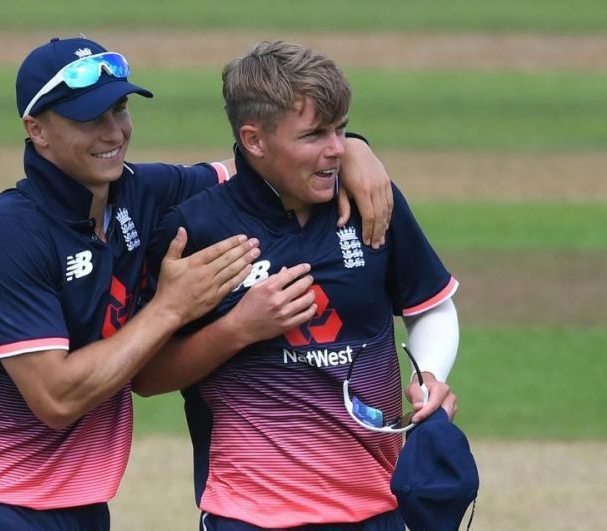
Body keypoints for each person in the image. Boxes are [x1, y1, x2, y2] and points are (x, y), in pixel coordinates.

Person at [0, 36, 394, 531]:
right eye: (89, 119)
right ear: (37, 131)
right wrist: (171, 308)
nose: (114, 132)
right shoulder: (4, 234)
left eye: (120, 109)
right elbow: (57, 399)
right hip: (2, 504)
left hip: (85, 505)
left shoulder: (137, 193)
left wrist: (352, 148)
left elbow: (264, 160)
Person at [135, 40, 461, 530]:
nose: (337, 149)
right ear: (255, 140)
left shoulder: (371, 200)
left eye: (342, 130)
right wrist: (238, 329)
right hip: (247, 514)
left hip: (378, 508)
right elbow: (146, 377)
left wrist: (429, 374)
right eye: (314, 135)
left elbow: (429, 306)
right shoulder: (195, 230)